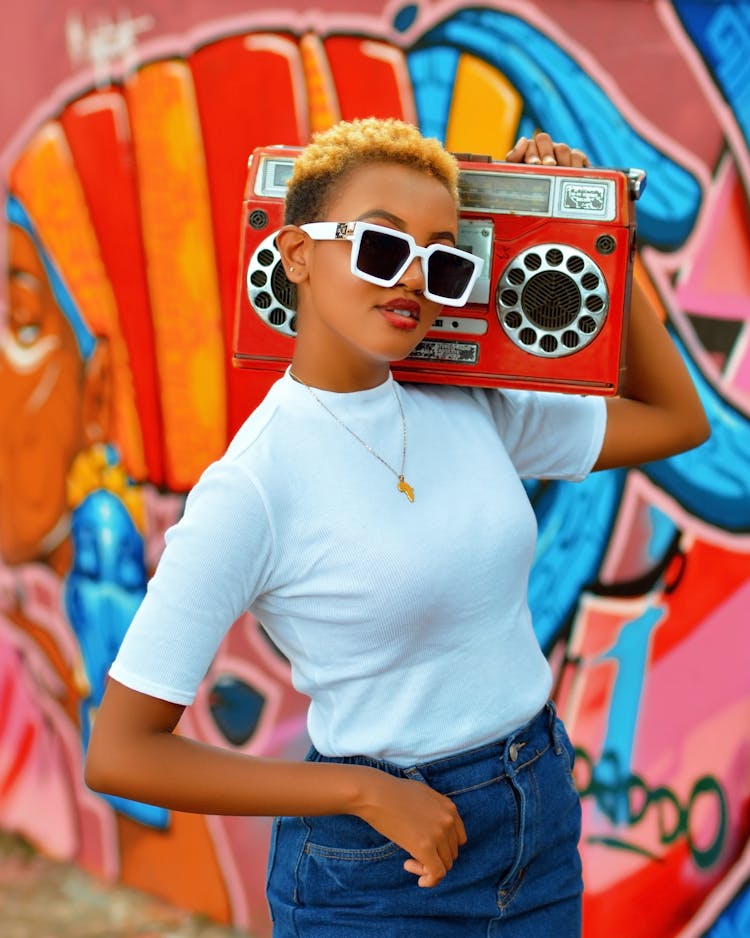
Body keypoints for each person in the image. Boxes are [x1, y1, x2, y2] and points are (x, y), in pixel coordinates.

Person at [85, 118, 709, 936]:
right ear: (295, 253)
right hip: (379, 867)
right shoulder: (254, 486)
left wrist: (592, 233)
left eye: (443, 262)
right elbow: (123, 752)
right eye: (381, 248)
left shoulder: (469, 404)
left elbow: (679, 420)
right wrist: (365, 791)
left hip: (537, 819)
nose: (412, 276)